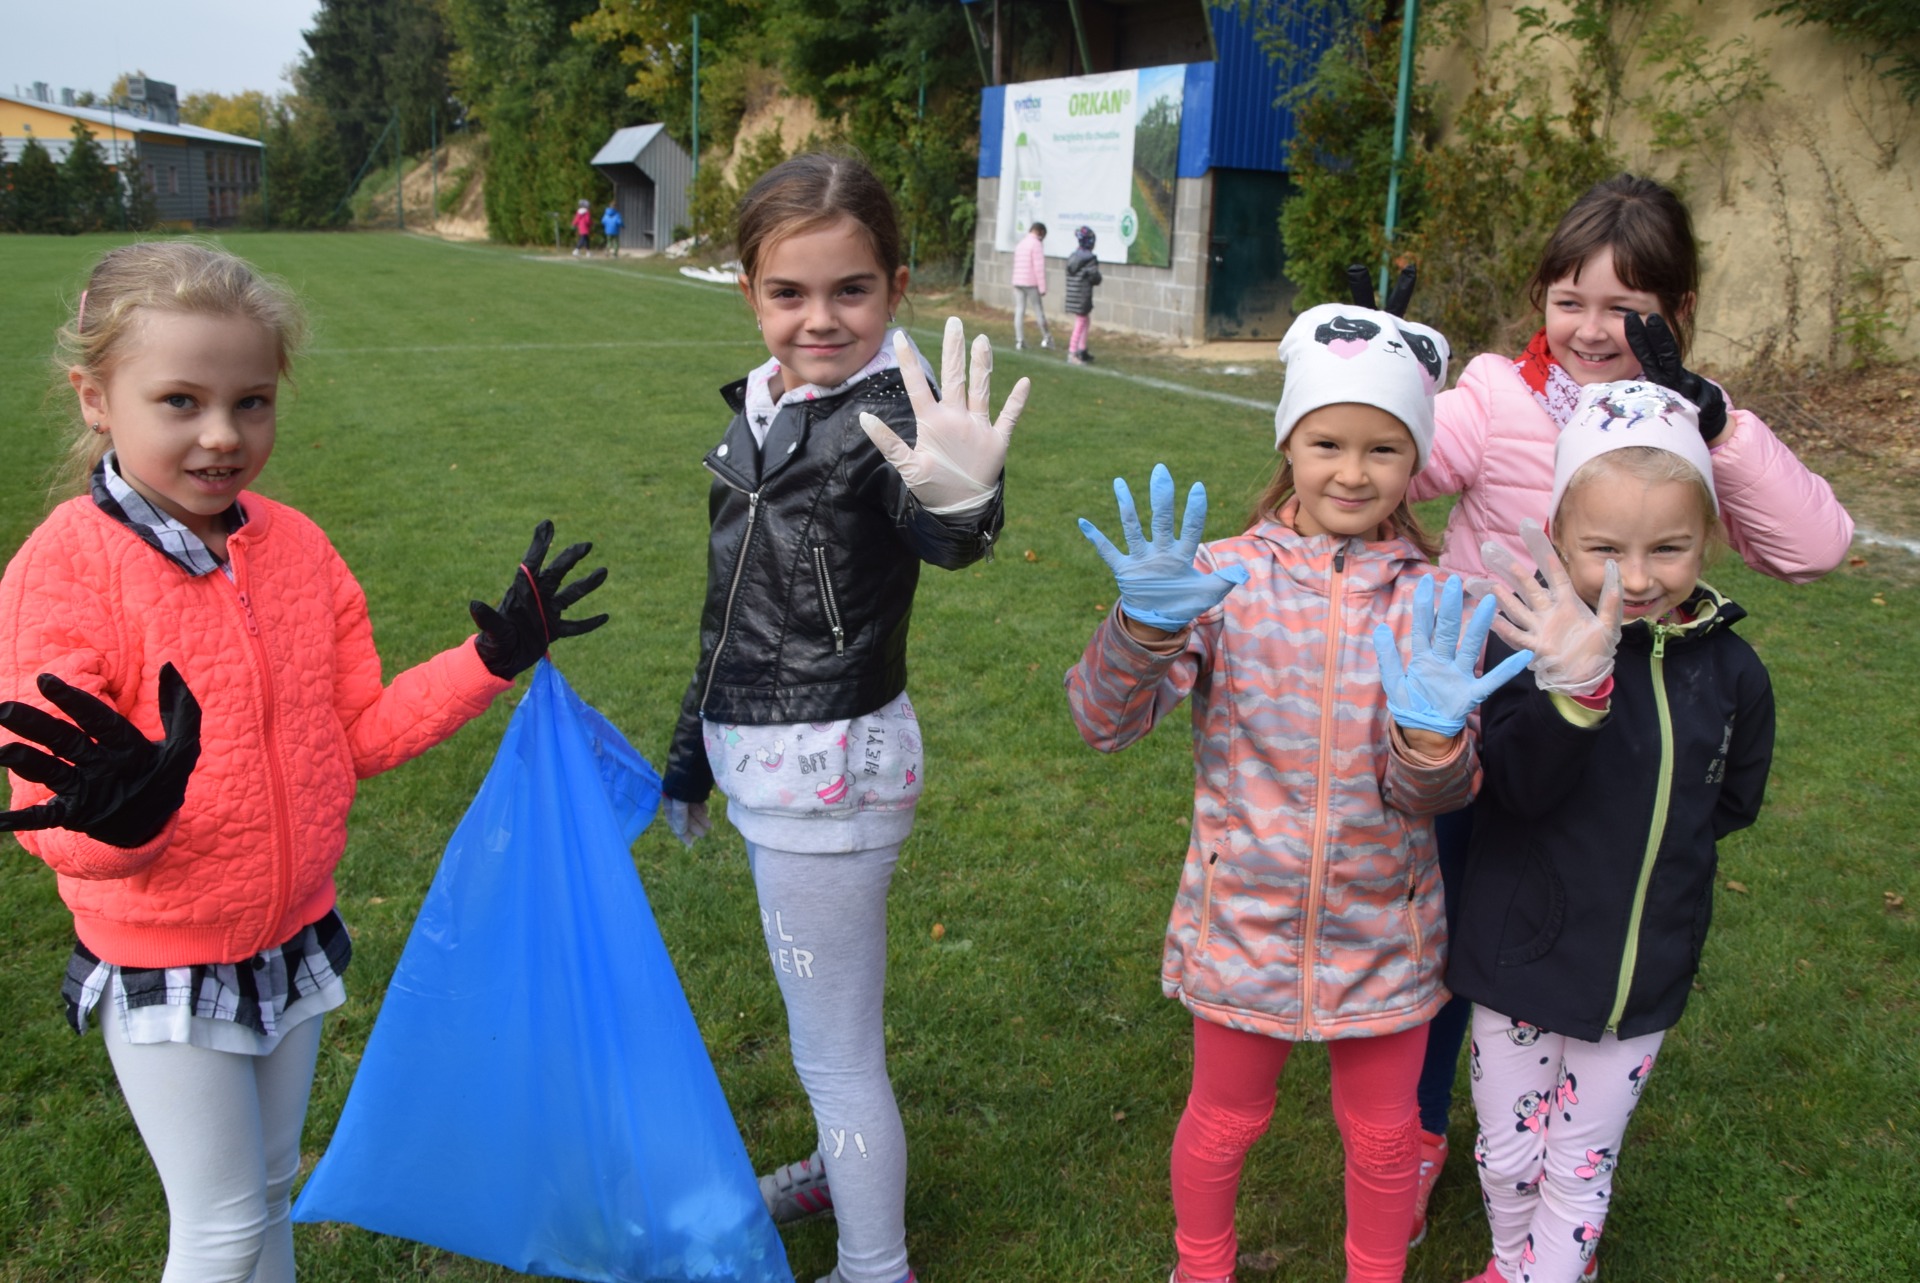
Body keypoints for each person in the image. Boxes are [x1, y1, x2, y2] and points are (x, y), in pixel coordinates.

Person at [0, 241, 607, 1283]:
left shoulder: (296, 548)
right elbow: (47, 808)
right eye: (180, 401)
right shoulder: (62, 571)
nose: (223, 435)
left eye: (253, 401)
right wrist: (116, 820)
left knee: (269, 1191)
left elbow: (357, 734)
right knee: (223, 1225)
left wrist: (487, 660)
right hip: (165, 957)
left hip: (288, 930)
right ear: (96, 397)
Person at [1403, 173, 1852, 1253]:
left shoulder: (1687, 432)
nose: (1593, 327)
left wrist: (1716, 418)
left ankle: (1556, 1200)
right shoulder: (1501, 393)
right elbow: (1400, 463)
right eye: (1570, 298)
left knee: (1561, 934)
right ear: (1539, 302)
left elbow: (1816, 548)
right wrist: (1370, 384)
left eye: (1625, 304)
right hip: (1486, 719)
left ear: (1679, 309)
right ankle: (1416, 1150)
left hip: (1621, 740)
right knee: (1449, 958)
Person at [1065, 299, 1533, 1283]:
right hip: (1244, 918)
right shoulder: (1217, 580)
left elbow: (1437, 795)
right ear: (1290, 445)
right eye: (1326, 441)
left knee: (1383, 1135)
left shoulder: (1434, 602)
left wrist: (1431, 739)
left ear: (1418, 465)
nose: (1352, 471)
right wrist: (1142, 631)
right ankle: (1201, 1265)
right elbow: (1104, 720)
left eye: (1383, 448)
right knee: (1224, 1119)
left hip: (1386, 931)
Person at [658, 152, 1028, 1283]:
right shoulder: (767, 410)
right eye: (789, 292)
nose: (820, 318)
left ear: (898, 284)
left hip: (831, 767)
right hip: (770, 755)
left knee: (836, 1055)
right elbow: (734, 614)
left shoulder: (886, 416)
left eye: (851, 290)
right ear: (749, 291)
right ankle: (836, 1165)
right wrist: (688, 755)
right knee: (827, 1038)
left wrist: (963, 497)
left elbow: (945, 537)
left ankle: (877, 1263)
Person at [1450, 380, 1775, 1283]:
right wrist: (1572, 695)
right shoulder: (1521, 644)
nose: (1636, 578)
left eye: (1668, 547)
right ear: (1558, 537)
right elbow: (1507, 789)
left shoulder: (1735, 672)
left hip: (1639, 978)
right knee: (1510, 1154)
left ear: (1705, 539)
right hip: (1518, 958)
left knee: (1578, 1162)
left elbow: (1733, 799)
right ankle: (1511, 1259)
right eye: (1605, 549)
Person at [1010, 220, 1053, 351]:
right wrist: (1042, 287)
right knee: (1038, 310)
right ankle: (1047, 338)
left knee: (1019, 310)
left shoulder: (1021, 243)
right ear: (1041, 232)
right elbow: (1039, 267)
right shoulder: (1036, 244)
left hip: (1018, 282)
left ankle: (1019, 340)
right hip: (1031, 282)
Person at [1063, 225, 1102, 365]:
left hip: (1074, 296)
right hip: (1082, 297)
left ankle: (1082, 349)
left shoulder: (1073, 257)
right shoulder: (1090, 259)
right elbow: (1095, 277)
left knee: (1085, 320)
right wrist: (1097, 277)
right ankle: (1072, 352)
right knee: (1080, 323)